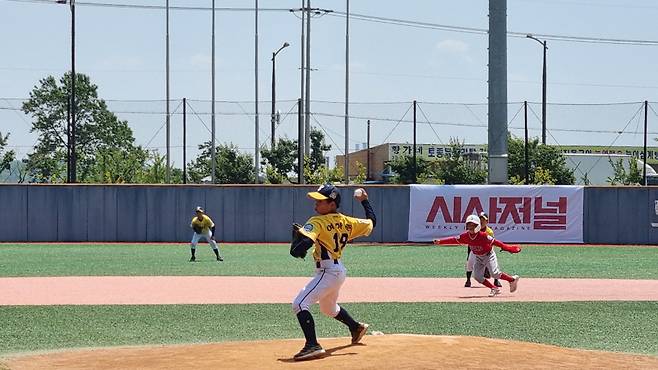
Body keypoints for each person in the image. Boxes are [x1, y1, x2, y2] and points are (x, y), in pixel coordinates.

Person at [289, 184, 376, 361]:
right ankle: (356, 327)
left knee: (299, 304)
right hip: (338, 271)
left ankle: (312, 345)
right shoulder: (347, 221)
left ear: (332, 204)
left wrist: (298, 242)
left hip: (327, 272)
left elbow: (299, 250)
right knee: (328, 308)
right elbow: (372, 222)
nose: (316, 204)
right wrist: (365, 201)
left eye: (321, 201)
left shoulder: (317, 221)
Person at [434, 214, 521, 297]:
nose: (471, 228)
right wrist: (440, 242)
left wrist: (508, 248)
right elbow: (453, 240)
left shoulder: (483, 235)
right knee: (477, 277)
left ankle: (512, 280)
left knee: (495, 274)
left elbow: (496, 242)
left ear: (478, 226)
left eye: (473, 225)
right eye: (469, 225)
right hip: (478, 257)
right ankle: (494, 288)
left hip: (489, 255)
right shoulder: (466, 236)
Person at [464, 212, 502, 288]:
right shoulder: (473, 228)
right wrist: (469, 254)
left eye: (483, 220)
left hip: (486, 251)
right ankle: (468, 280)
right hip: (474, 250)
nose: (481, 221)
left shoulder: (489, 231)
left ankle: (496, 281)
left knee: (493, 265)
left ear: (487, 221)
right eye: (480, 219)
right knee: (469, 263)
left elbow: (491, 243)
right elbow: (469, 242)